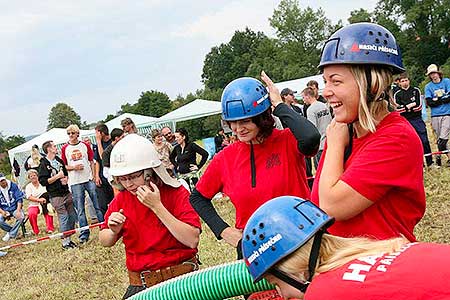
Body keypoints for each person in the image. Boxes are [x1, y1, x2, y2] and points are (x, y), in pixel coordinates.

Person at [311, 22, 426, 242]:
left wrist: (334, 144)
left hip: (379, 269)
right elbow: (317, 203)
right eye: (325, 81)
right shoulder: (346, 132)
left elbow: (332, 206)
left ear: (372, 85)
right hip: (341, 267)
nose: (326, 92)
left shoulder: (396, 138)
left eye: (336, 81)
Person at [190, 76, 320, 260]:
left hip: (300, 243)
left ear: (262, 117)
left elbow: (311, 139)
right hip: (256, 251)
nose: (237, 129)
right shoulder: (225, 158)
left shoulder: (287, 140)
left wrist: (279, 104)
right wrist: (226, 232)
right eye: (232, 122)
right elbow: (197, 198)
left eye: (245, 121)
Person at [242, 196, 450, 300]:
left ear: (294, 269)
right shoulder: (378, 250)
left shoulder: (324, 293)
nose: (282, 294)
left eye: (275, 282)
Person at [98, 134, 201, 299]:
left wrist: (157, 206)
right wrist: (112, 231)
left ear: (150, 171)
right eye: (122, 179)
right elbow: (104, 240)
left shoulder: (176, 193)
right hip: (142, 284)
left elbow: (191, 239)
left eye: (133, 177)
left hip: (183, 280)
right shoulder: (122, 199)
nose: (128, 184)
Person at [61, 124, 104, 243]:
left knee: (97, 205)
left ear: (77, 134)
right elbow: (64, 166)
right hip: (75, 181)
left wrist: (95, 176)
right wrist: (74, 167)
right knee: (80, 209)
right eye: (69, 134)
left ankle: (103, 228)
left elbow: (92, 161)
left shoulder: (85, 145)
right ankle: (84, 234)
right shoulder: (65, 148)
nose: (71, 136)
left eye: (73, 133)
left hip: (88, 179)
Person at [38, 140, 77, 249]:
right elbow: (43, 181)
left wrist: (65, 178)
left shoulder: (59, 160)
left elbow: (64, 172)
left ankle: (69, 239)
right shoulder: (43, 164)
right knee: (63, 216)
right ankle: (65, 243)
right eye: (54, 146)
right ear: (49, 149)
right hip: (55, 195)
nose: (56, 148)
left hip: (65, 191)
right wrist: (57, 177)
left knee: (71, 215)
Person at [394, 72, 434, 167]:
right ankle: (419, 164)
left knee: (424, 140)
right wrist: (409, 106)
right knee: (410, 143)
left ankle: (430, 162)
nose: (404, 83)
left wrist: (405, 107)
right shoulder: (397, 94)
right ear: (399, 83)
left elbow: (419, 107)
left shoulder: (416, 91)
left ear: (409, 81)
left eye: (406, 80)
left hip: (417, 119)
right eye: (402, 81)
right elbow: (398, 110)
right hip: (405, 121)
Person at [424, 63, 450, 166]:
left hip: (447, 113)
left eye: (434, 73)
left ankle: (439, 156)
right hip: (435, 115)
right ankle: (443, 158)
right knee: (440, 139)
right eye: (431, 74)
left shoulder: (447, 82)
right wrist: (442, 99)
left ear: (438, 73)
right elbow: (430, 102)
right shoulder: (428, 87)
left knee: (443, 138)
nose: (433, 75)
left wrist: (437, 100)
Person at [302, 87, 332, 168]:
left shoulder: (311, 110)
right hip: (330, 141)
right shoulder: (324, 105)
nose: (303, 100)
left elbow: (312, 129)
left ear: (308, 96)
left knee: (320, 169)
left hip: (320, 145)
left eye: (303, 97)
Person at [25, 169, 55, 235]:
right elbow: (29, 197)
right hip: (34, 204)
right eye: (31, 176)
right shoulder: (28, 186)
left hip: (45, 203)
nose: (33, 177)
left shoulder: (43, 183)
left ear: (37, 176)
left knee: (48, 209)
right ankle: (36, 231)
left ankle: (50, 228)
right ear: (29, 178)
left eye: (34, 175)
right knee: (31, 213)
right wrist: (39, 200)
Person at [93, 124, 114, 216]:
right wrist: (96, 176)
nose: (96, 136)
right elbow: (97, 161)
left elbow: (103, 157)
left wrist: (98, 142)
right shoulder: (99, 144)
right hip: (102, 176)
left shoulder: (112, 143)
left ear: (101, 133)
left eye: (97, 133)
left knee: (114, 201)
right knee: (102, 203)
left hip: (112, 176)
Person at [0, 173, 24, 242]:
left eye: (3, 180)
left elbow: (19, 199)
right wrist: (2, 212)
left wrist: (18, 210)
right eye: (1, 181)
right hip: (5, 209)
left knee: (21, 217)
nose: (3, 182)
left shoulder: (13, 185)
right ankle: (13, 231)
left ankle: (11, 234)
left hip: (15, 208)